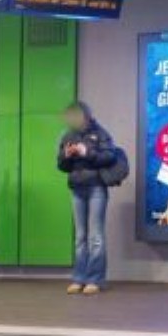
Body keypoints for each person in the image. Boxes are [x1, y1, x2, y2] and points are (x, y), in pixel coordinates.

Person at [57, 101, 117, 295]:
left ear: (86, 115)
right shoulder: (68, 136)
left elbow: (110, 156)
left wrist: (86, 152)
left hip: (96, 188)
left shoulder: (100, 133)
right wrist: (66, 156)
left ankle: (95, 280)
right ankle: (79, 278)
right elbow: (61, 165)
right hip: (77, 188)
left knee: (95, 237)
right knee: (80, 237)